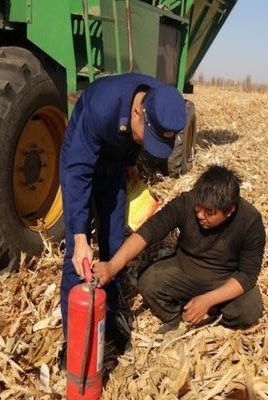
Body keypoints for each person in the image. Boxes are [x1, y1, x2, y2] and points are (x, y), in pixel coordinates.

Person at [59, 73, 187, 360]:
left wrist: (130, 163)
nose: (148, 144)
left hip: (114, 165)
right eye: (149, 138)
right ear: (137, 112)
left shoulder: (159, 100)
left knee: (114, 243)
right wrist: (80, 237)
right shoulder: (103, 107)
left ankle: (110, 318)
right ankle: (73, 337)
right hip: (79, 159)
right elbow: (78, 172)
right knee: (77, 256)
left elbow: (136, 143)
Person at [93, 165, 266, 333]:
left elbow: (247, 275)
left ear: (229, 211)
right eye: (199, 206)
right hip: (184, 269)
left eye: (209, 212)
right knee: (148, 282)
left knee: (249, 310)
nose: (200, 215)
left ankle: (211, 310)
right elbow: (149, 230)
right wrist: (113, 266)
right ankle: (176, 318)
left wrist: (209, 299)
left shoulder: (250, 221)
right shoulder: (187, 202)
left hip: (223, 279)